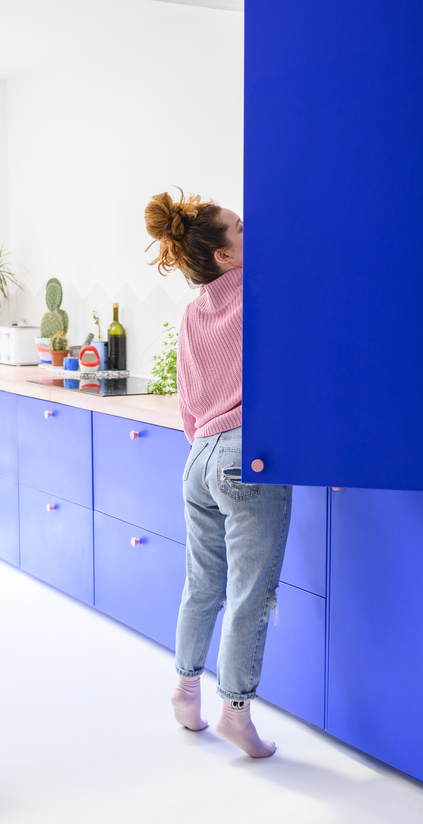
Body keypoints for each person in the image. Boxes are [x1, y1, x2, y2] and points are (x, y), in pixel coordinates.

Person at [144, 190, 292, 759]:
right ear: (226, 255)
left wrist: (211, 444)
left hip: (200, 456)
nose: (250, 232)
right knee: (250, 593)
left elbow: (187, 401)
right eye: (241, 228)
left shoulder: (193, 311)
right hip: (246, 455)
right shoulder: (261, 295)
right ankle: (235, 711)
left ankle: (185, 690)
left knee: (203, 584)